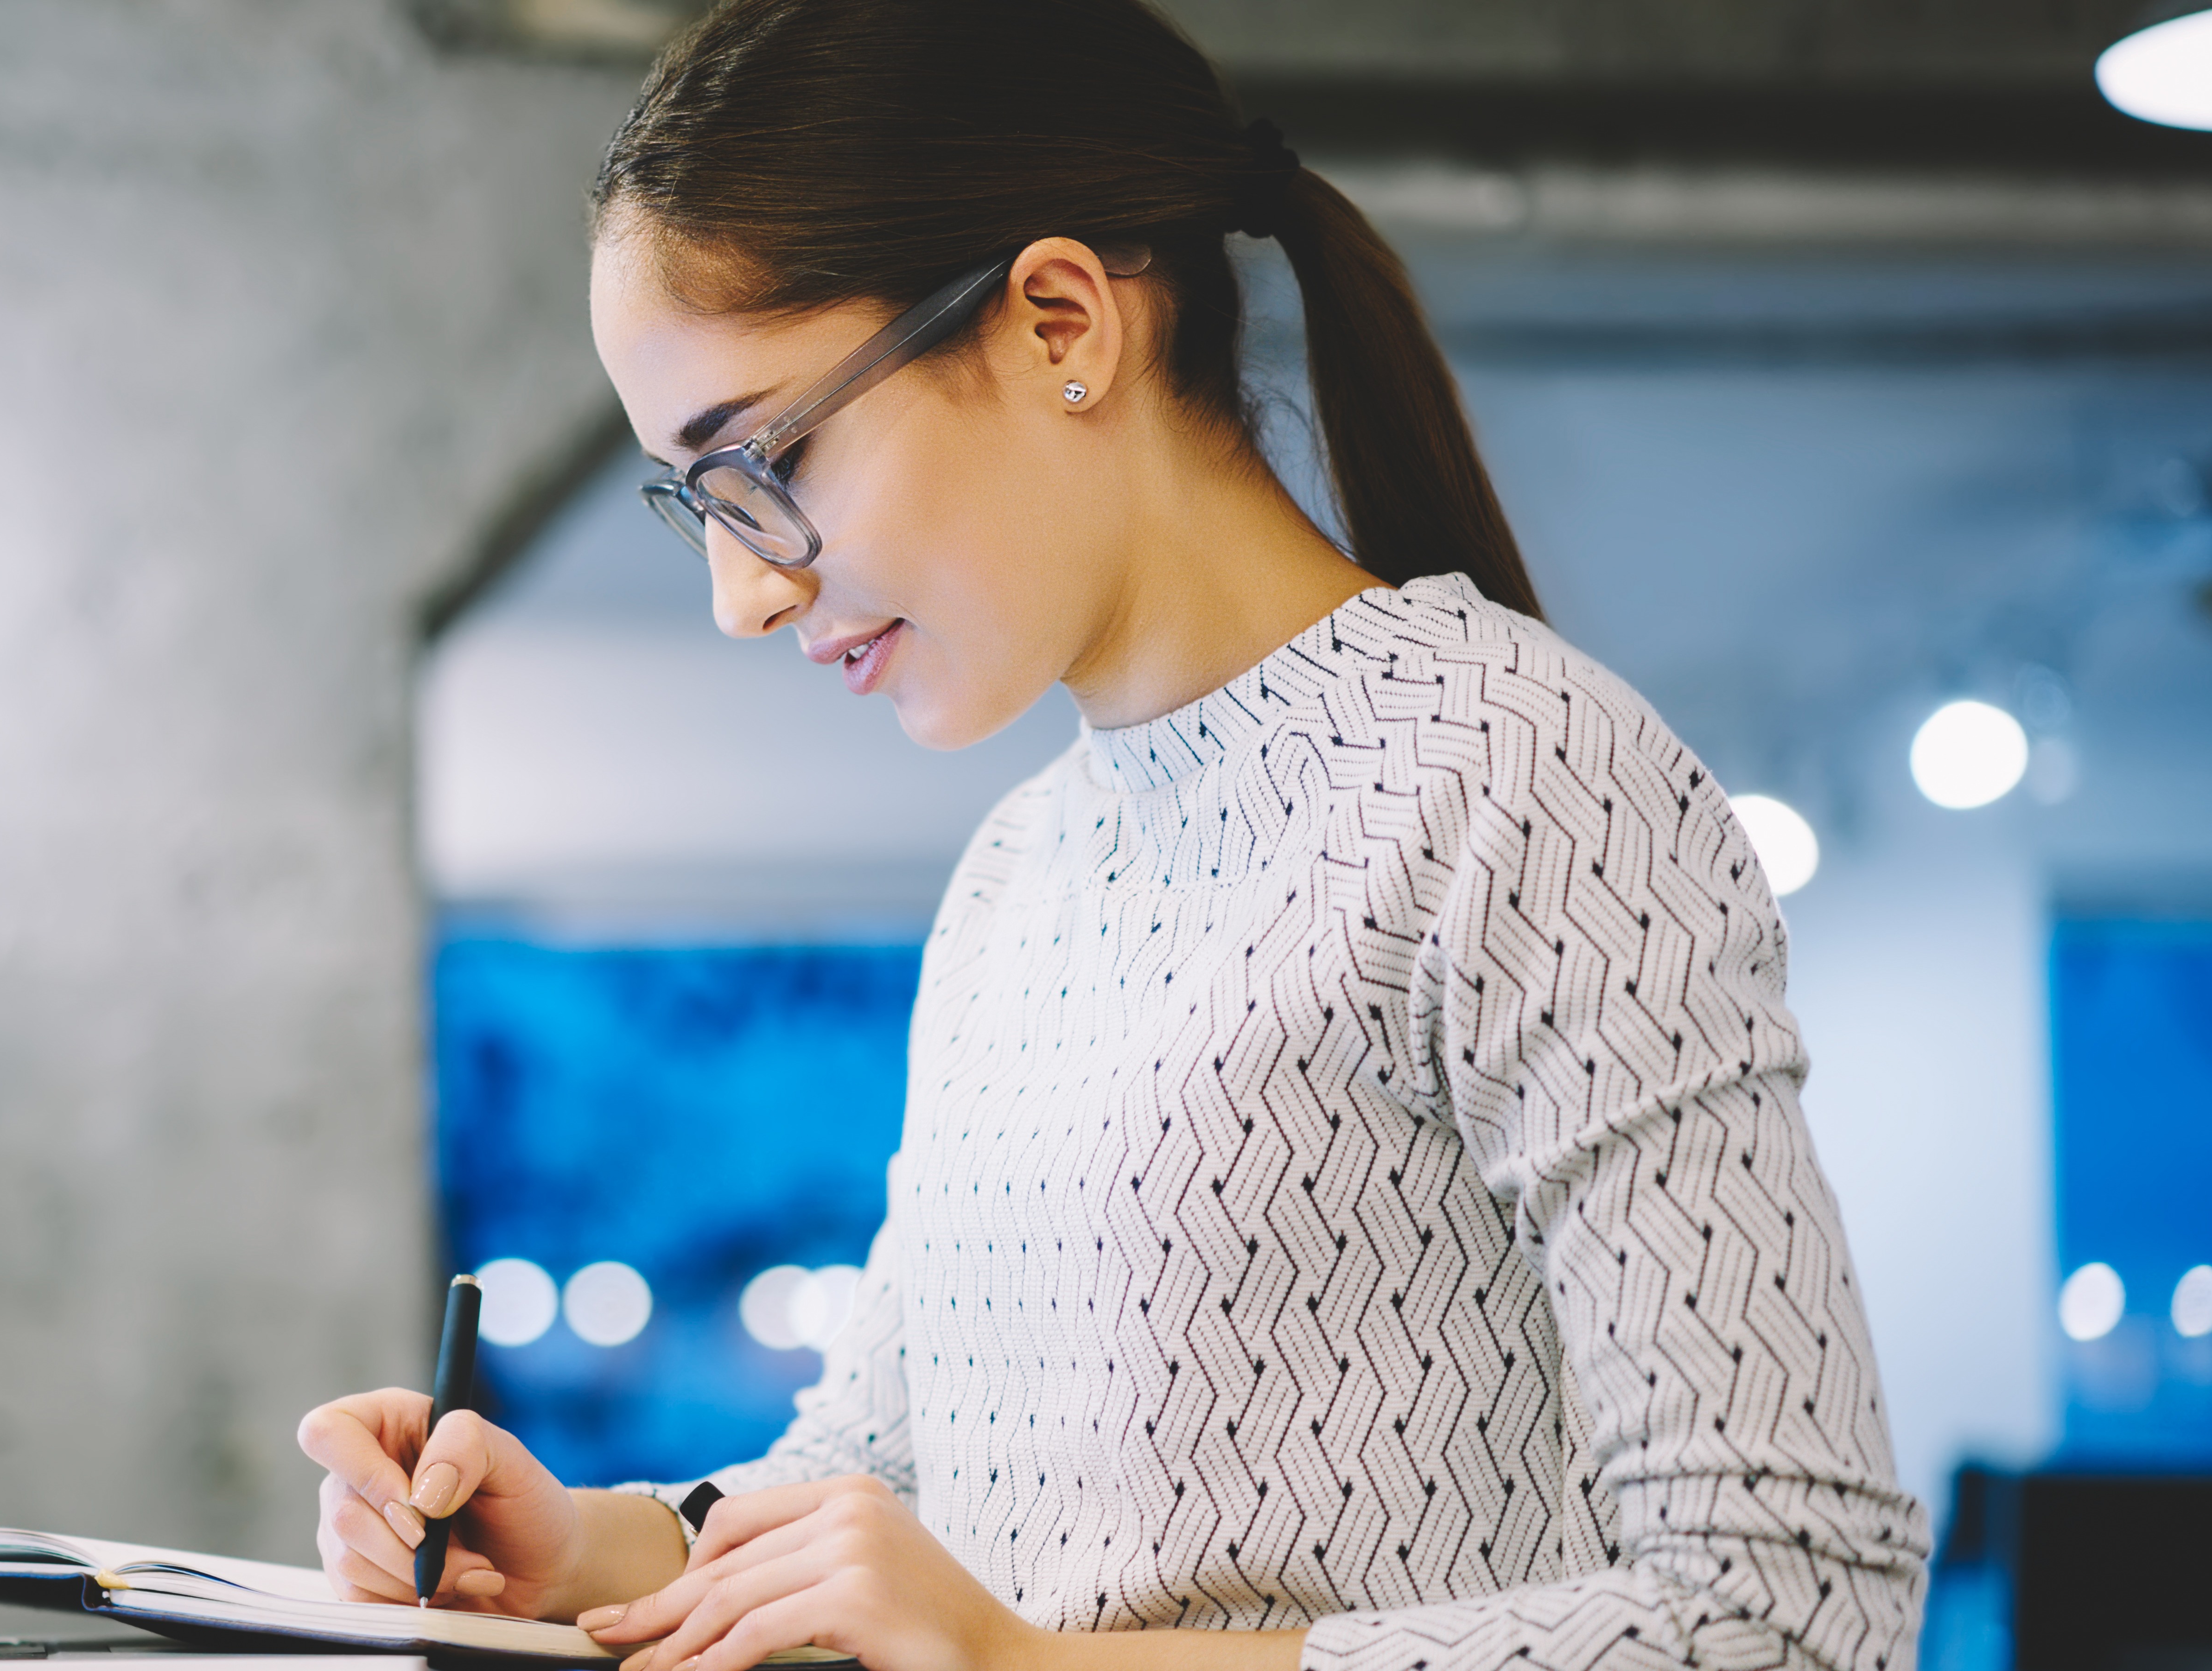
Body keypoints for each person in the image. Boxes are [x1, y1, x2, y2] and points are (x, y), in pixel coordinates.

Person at [300, 3, 1932, 1670]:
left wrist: (1024, 1665)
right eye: (695, 503)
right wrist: (575, 1540)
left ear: (1058, 321)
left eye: (765, 460)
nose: (742, 590)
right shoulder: (1020, 874)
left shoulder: (1526, 779)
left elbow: (1787, 1611)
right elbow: (879, 1472)